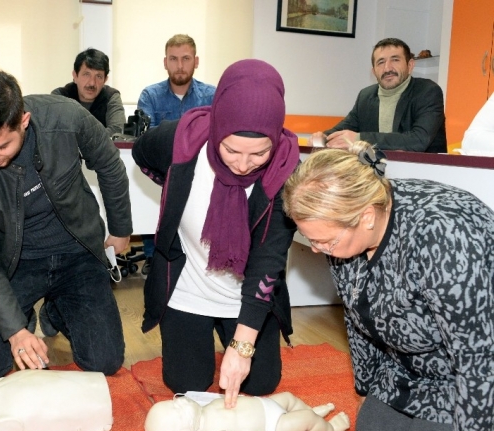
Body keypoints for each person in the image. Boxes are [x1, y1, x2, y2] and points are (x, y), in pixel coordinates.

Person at [282, 141, 494, 431]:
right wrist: (365, 390)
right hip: (406, 367)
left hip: (469, 376)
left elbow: (477, 356)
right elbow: (358, 316)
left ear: (366, 217)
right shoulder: (346, 230)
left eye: (325, 241)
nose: (317, 250)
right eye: (312, 239)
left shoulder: (445, 237)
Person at [0, 70, 132, 384]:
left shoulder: (66, 116)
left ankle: (58, 311)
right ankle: (24, 314)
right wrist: (15, 331)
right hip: (14, 265)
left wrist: (121, 229)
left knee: (105, 361)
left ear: (24, 120)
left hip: (78, 255)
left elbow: (110, 165)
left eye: (1, 146)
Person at [132, 59, 300, 409]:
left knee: (261, 383)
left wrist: (242, 346)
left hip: (246, 297)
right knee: (184, 383)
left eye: (259, 153)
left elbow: (268, 261)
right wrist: (173, 187)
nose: (242, 165)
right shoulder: (182, 141)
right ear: (216, 129)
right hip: (188, 289)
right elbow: (141, 152)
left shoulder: (286, 171)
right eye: (231, 149)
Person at [136, 34, 217, 274]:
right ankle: (153, 256)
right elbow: (146, 137)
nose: (180, 66)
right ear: (165, 62)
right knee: (149, 193)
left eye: (185, 59)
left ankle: (197, 255)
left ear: (196, 61)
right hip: (161, 168)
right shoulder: (150, 95)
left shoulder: (212, 96)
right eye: (173, 59)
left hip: (201, 167)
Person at [309, 38, 446, 153]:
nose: (387, 68)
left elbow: (418, 140)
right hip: (375, 175)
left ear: (410, 65)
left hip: (424, 176)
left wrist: (359, 139)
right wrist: (323, 137)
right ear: (374, 71)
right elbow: (345, 128)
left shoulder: (428, 92)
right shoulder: (366, 96)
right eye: (381, 62)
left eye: (395, 60)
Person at [145, 392, 350, 431]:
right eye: (176, 409)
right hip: (273, 426)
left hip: (266, 405)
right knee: (305, 419)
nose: (179, 401)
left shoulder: (201, 409)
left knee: (288, 397)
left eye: (173, 402)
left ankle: (310, 414)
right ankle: (329, 427)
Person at [51, 48, 125, 137]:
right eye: (86, 74)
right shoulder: (60, 96)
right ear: (75, 75)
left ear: (105, 80)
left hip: (101, 151)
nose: (92, 83)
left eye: (98, 76)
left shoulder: (111, 97)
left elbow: (117, 131)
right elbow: (52, 130)